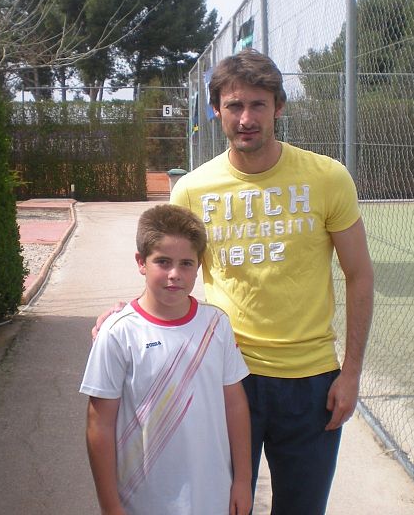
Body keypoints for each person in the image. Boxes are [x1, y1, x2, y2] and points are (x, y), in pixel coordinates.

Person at [97, 48, 374, 514]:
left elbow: (360, 274)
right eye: (234, 105)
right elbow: (171, 266)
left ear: (279, 107)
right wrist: (126, 312)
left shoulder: (328, 178)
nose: (246, 118)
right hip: (222, 375)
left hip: (310, 382)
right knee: (222, 504)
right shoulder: (193, 189)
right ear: (216, 111)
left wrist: (351, 373)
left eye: (258, 105)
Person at [80, 204, 252, 515]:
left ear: (198, 267)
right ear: (140, 262)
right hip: (143, 502)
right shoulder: (118, 332)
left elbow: (235, 404)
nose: (175, 274)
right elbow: (99, 423)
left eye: (186, 263)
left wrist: (242, 480)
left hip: (212, 496)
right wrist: (110, 506)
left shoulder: (217, 324)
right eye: (163, 262)